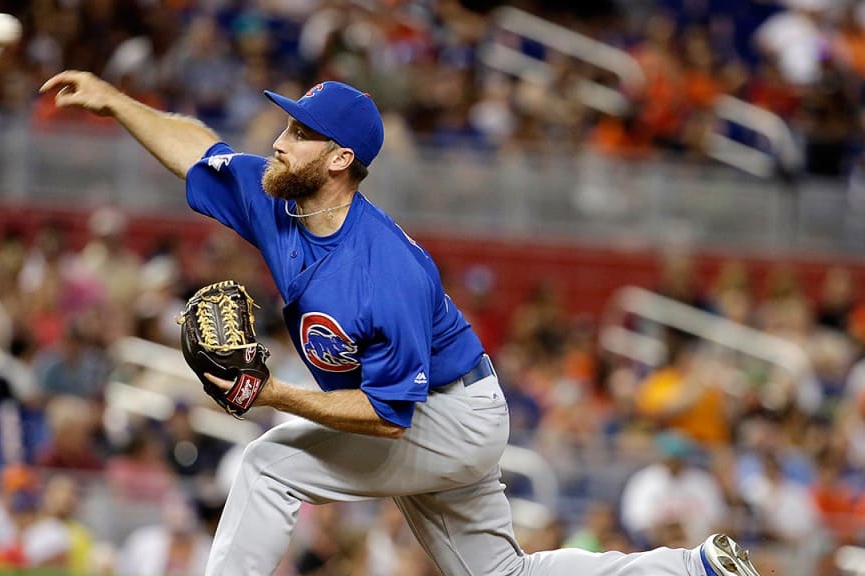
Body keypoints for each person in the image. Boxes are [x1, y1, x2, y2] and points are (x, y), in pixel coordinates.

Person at [38, 70, 761, 576]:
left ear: (341, 159)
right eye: (288, 123)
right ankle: (695, 569)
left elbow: (389, 418)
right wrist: (112, 102)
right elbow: (198, 146)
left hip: (450, 415)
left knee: (268, 464)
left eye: (300, 131)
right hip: (437, 411)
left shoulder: (385, 269)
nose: (281, 139)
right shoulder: (278, 202)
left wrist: (269, 394)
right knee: (501, 573)